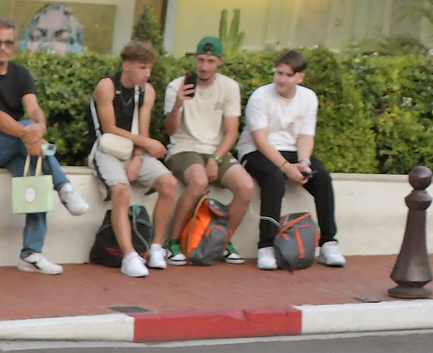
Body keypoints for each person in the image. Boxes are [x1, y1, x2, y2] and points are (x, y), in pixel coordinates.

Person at [0, 18, 93, 274]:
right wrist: (28, 134)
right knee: (23, 126)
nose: (2, 47)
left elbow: (34, 110)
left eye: (8, 42)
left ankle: (31, 253)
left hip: (13, 145)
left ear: (15, 46)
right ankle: (65, 187)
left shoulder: (21, 74)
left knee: (38, 175)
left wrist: (38, 129)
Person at [241, 50, 346, 270]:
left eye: (288, 75)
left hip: (291, 151)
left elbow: (306, 135)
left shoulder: (308, 97)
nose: (281, 79)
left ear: (300, 77)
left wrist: (304, 162)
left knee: (322, 178)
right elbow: (260, 140)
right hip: (256, 151)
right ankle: (266, 246)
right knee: (274, 179)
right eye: (279, 72)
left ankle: (328, 242)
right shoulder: (260, 97)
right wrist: (286, 167)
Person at [161, 36, 254, 263]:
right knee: (199, 181)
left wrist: (215, 157)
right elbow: (171, 131)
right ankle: (172, 243)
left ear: (220, 61)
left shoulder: (229, 87)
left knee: (246, 187)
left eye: (210, 61)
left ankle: (220, 240)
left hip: (215, 149)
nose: (204, 66)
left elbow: (231, 131)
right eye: (200, 60)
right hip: (184, 148)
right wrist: (178, 104)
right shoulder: (176, 86)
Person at [90, 41, 178, 278]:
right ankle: (129, 256)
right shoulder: (107, 86)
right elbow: (108, 128)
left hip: (133, 151)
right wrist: (147, 144)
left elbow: (144, 130)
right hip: (106, 150)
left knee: (169, 183)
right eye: (142, 67)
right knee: (122, 191)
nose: (147, 74)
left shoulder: (147, 91)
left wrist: (139, 156)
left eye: (149, 68)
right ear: (126, 65)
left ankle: (156, 248)